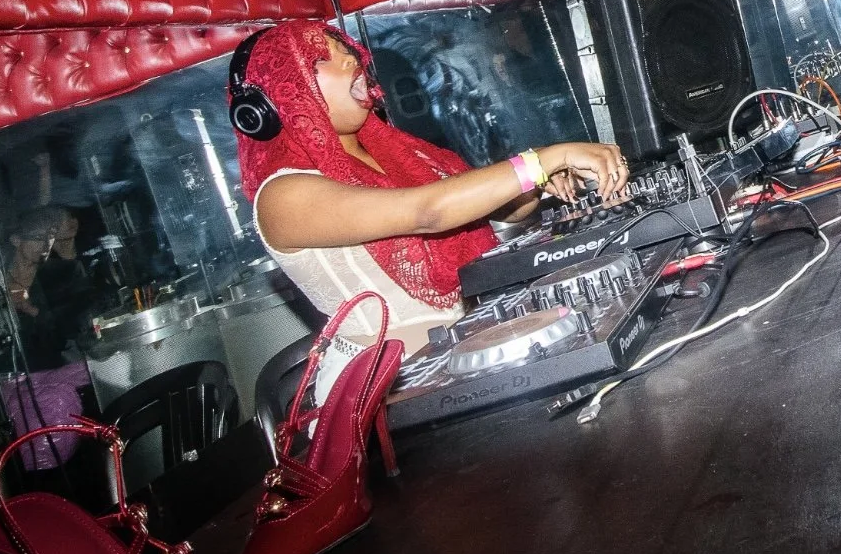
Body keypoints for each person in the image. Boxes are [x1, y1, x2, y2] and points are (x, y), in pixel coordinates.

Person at [231, 19, 628, 352]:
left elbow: (503, 212)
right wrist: (542, 160)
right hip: (389, 387)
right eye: (322, 58)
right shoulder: (282, 195)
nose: (351, 58)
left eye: (345, 49)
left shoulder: (399, 154)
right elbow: (428, 212)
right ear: (278, 96)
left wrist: (535, 184)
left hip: (468, 345)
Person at [4, 206, 101, 371]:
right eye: (38, 237)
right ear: (16, 240)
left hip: (57, 366)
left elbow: (76, 328)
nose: (46, 245)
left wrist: (32, 311)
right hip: (12, 368)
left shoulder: (66, 273)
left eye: (50, 237)